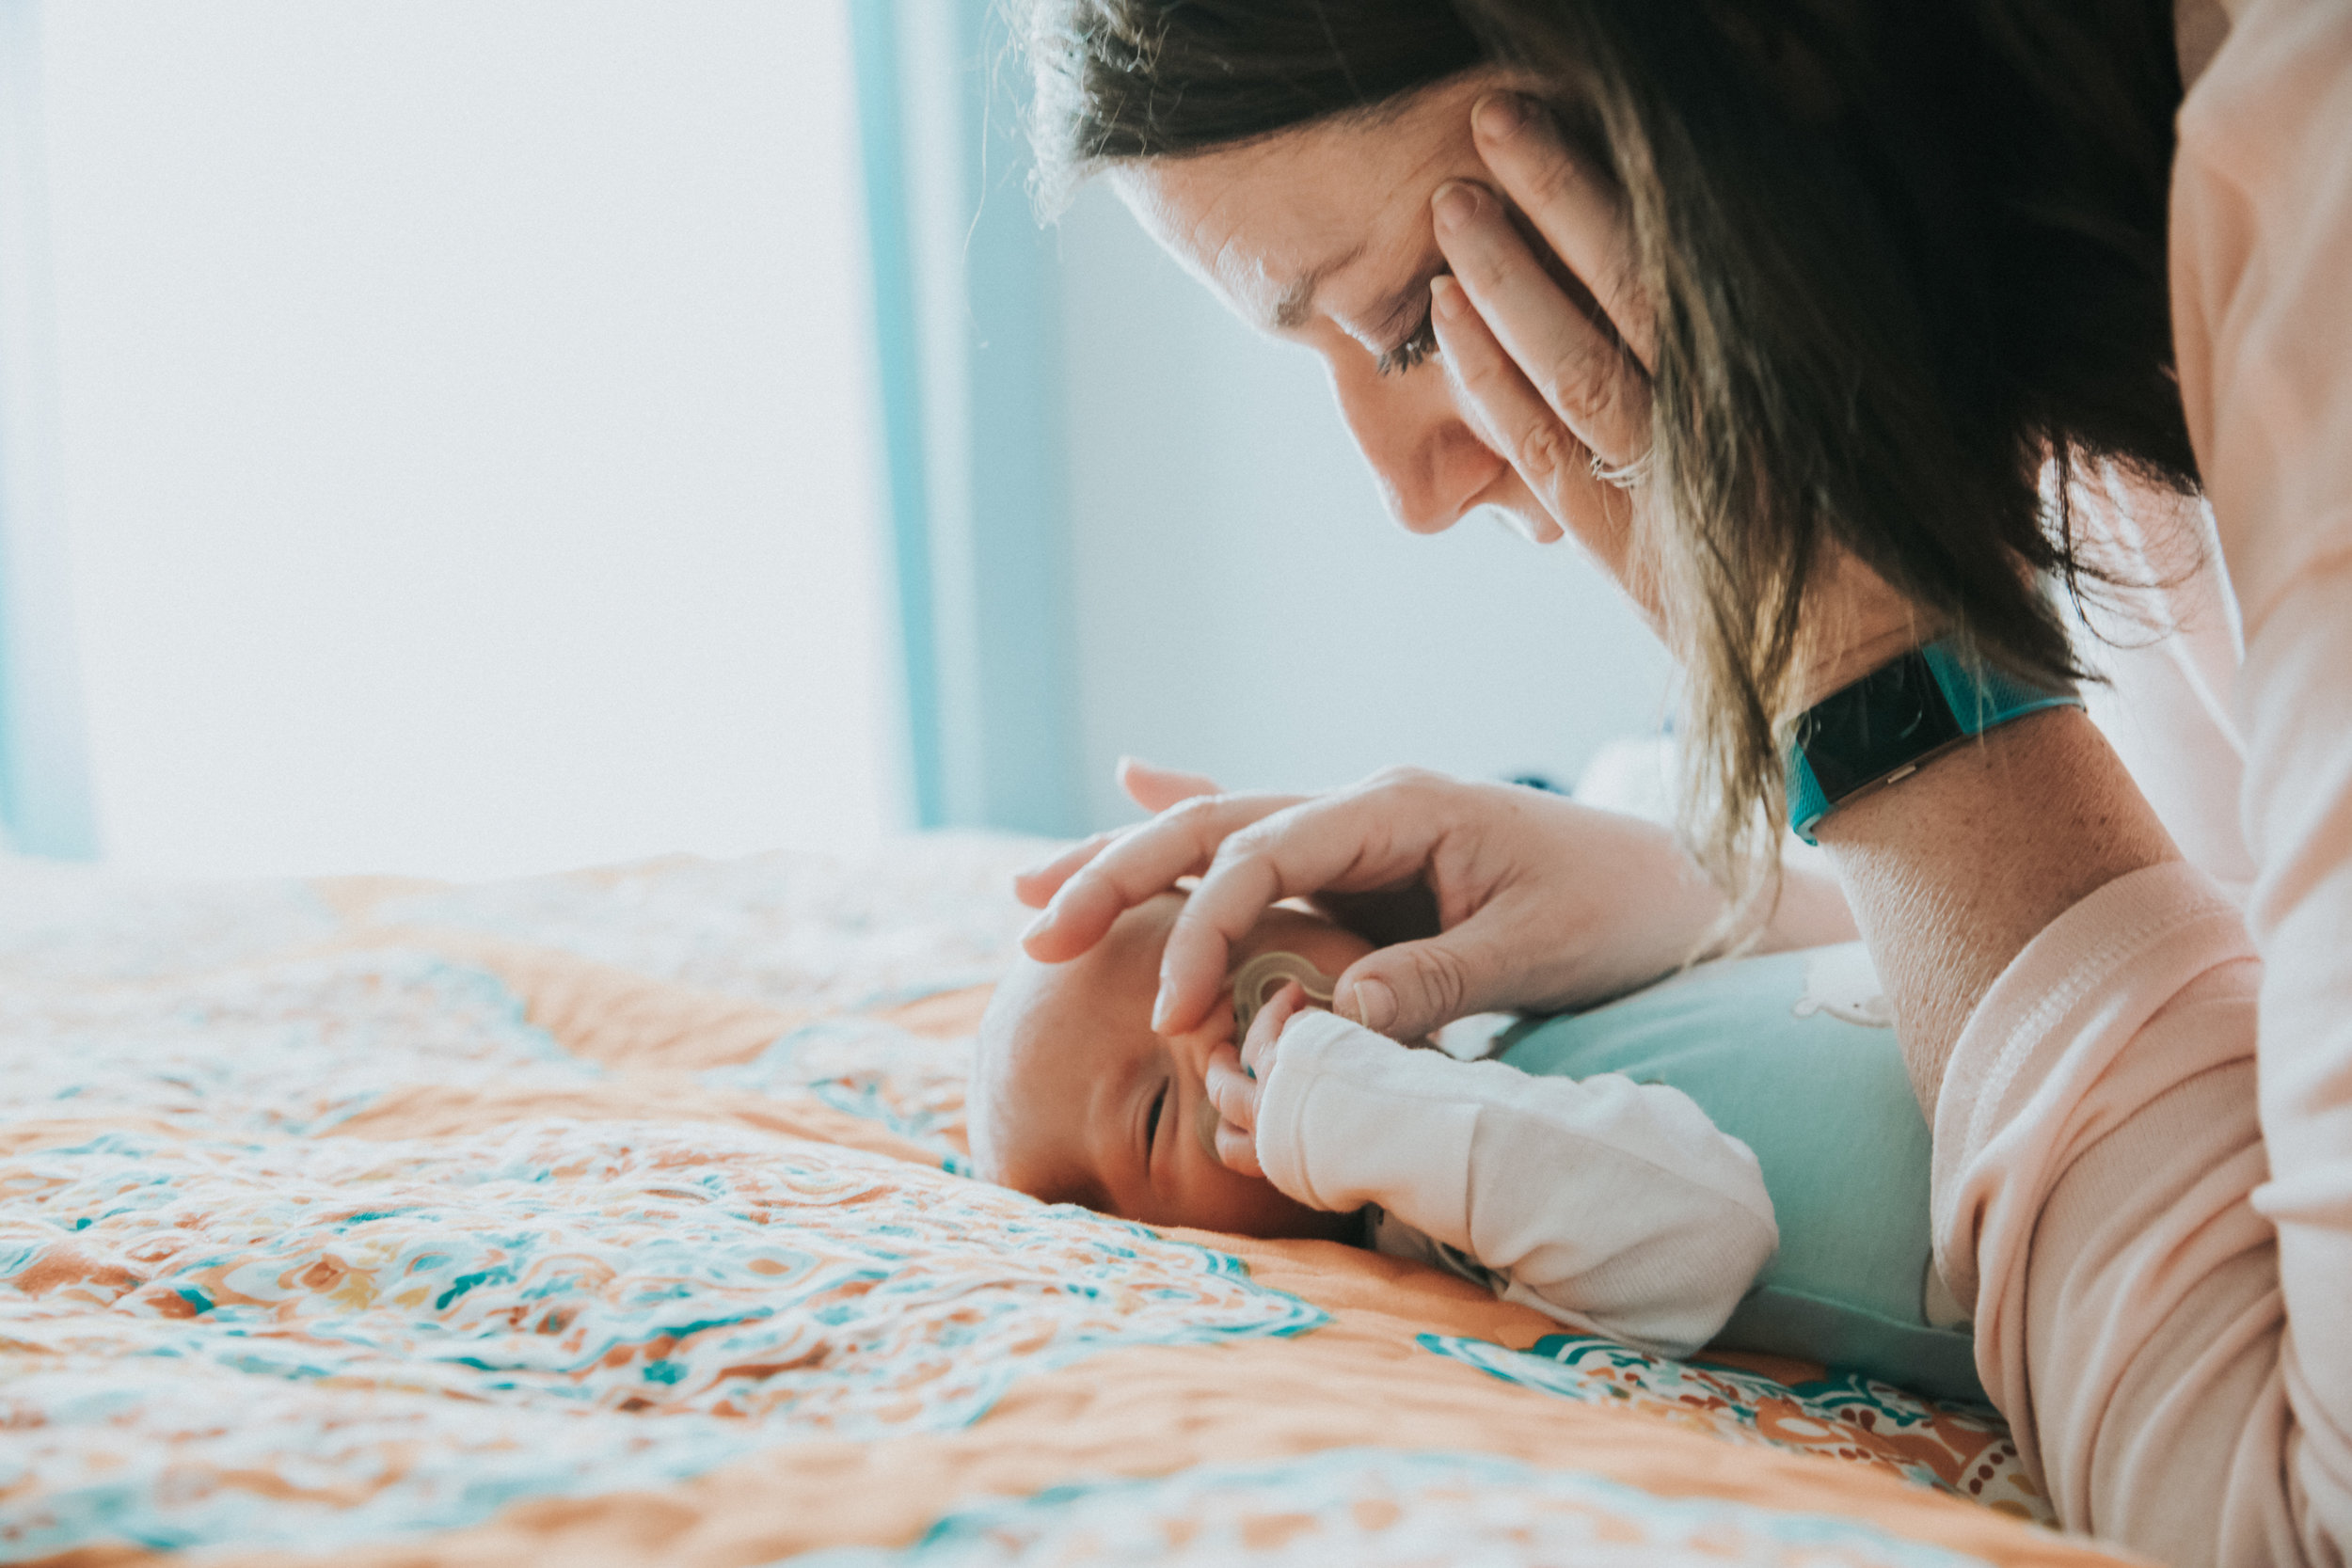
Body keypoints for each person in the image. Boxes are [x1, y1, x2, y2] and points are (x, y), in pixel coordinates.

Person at [1008, 3, 2351, 1564]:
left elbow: (2289, 1521)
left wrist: (1860, 675)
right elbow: (2263, 968)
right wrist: (1717, 896)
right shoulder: (2087, 333)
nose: (1414, 490)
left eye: (1412, 329)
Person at [971, 890, 1987, 1401]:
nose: (1214, 1026)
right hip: (2061, 1170)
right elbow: (1707, 1226)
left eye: (1211, 952)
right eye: (1155, 1112)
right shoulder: (1437, 1222)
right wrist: (1338, 1107)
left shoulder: (1489, 1005)